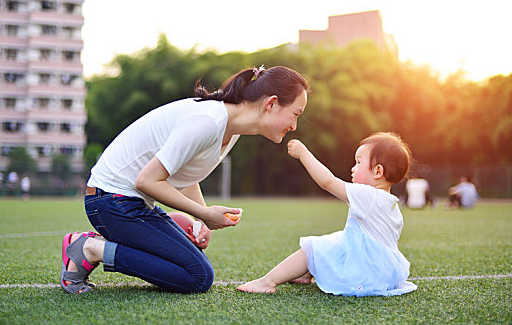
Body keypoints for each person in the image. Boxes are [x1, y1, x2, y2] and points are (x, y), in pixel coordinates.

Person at [60, 66, 309, 294]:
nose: (295, 125)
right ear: (272, 103)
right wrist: (205, 212)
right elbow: (146, 181)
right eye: (295, 114)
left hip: (126, 202)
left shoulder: (230, 128)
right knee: (198, 277)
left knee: (194, 265)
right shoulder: (208, 122)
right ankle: (91, 249)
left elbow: (183, 173)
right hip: (111, 201)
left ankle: (99, 245)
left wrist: (202, 219)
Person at [238, 132, 417, 296]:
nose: (353, 168)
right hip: (383, 275)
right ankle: (305, 274)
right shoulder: (391, 204)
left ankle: (267, 281)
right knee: (333, 243)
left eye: (359, 162)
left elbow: (327, 182)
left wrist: (303, 153)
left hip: (363, 275)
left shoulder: (367, 195)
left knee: (311, 248)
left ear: (378, 171)